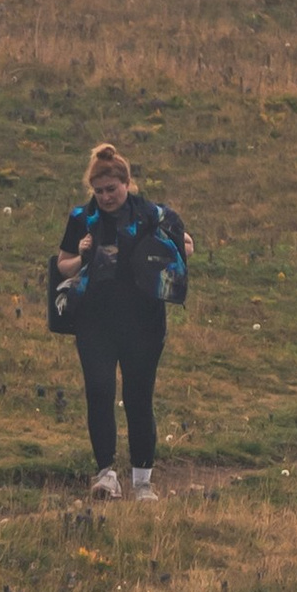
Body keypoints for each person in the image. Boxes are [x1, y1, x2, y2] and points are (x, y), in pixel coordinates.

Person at [46, 142, 187, 498]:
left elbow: (186, 246)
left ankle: (143, 482)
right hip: (95, 321)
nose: (106, 197)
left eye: (112, 189)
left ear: (127, 183)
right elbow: (61, 264)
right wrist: (81, 256)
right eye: (99, 191)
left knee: (139, 397)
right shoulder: (82, 219)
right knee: (99, 392)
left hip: (144, 322)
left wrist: (160, 250)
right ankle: (105, 474)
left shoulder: (152, 214)